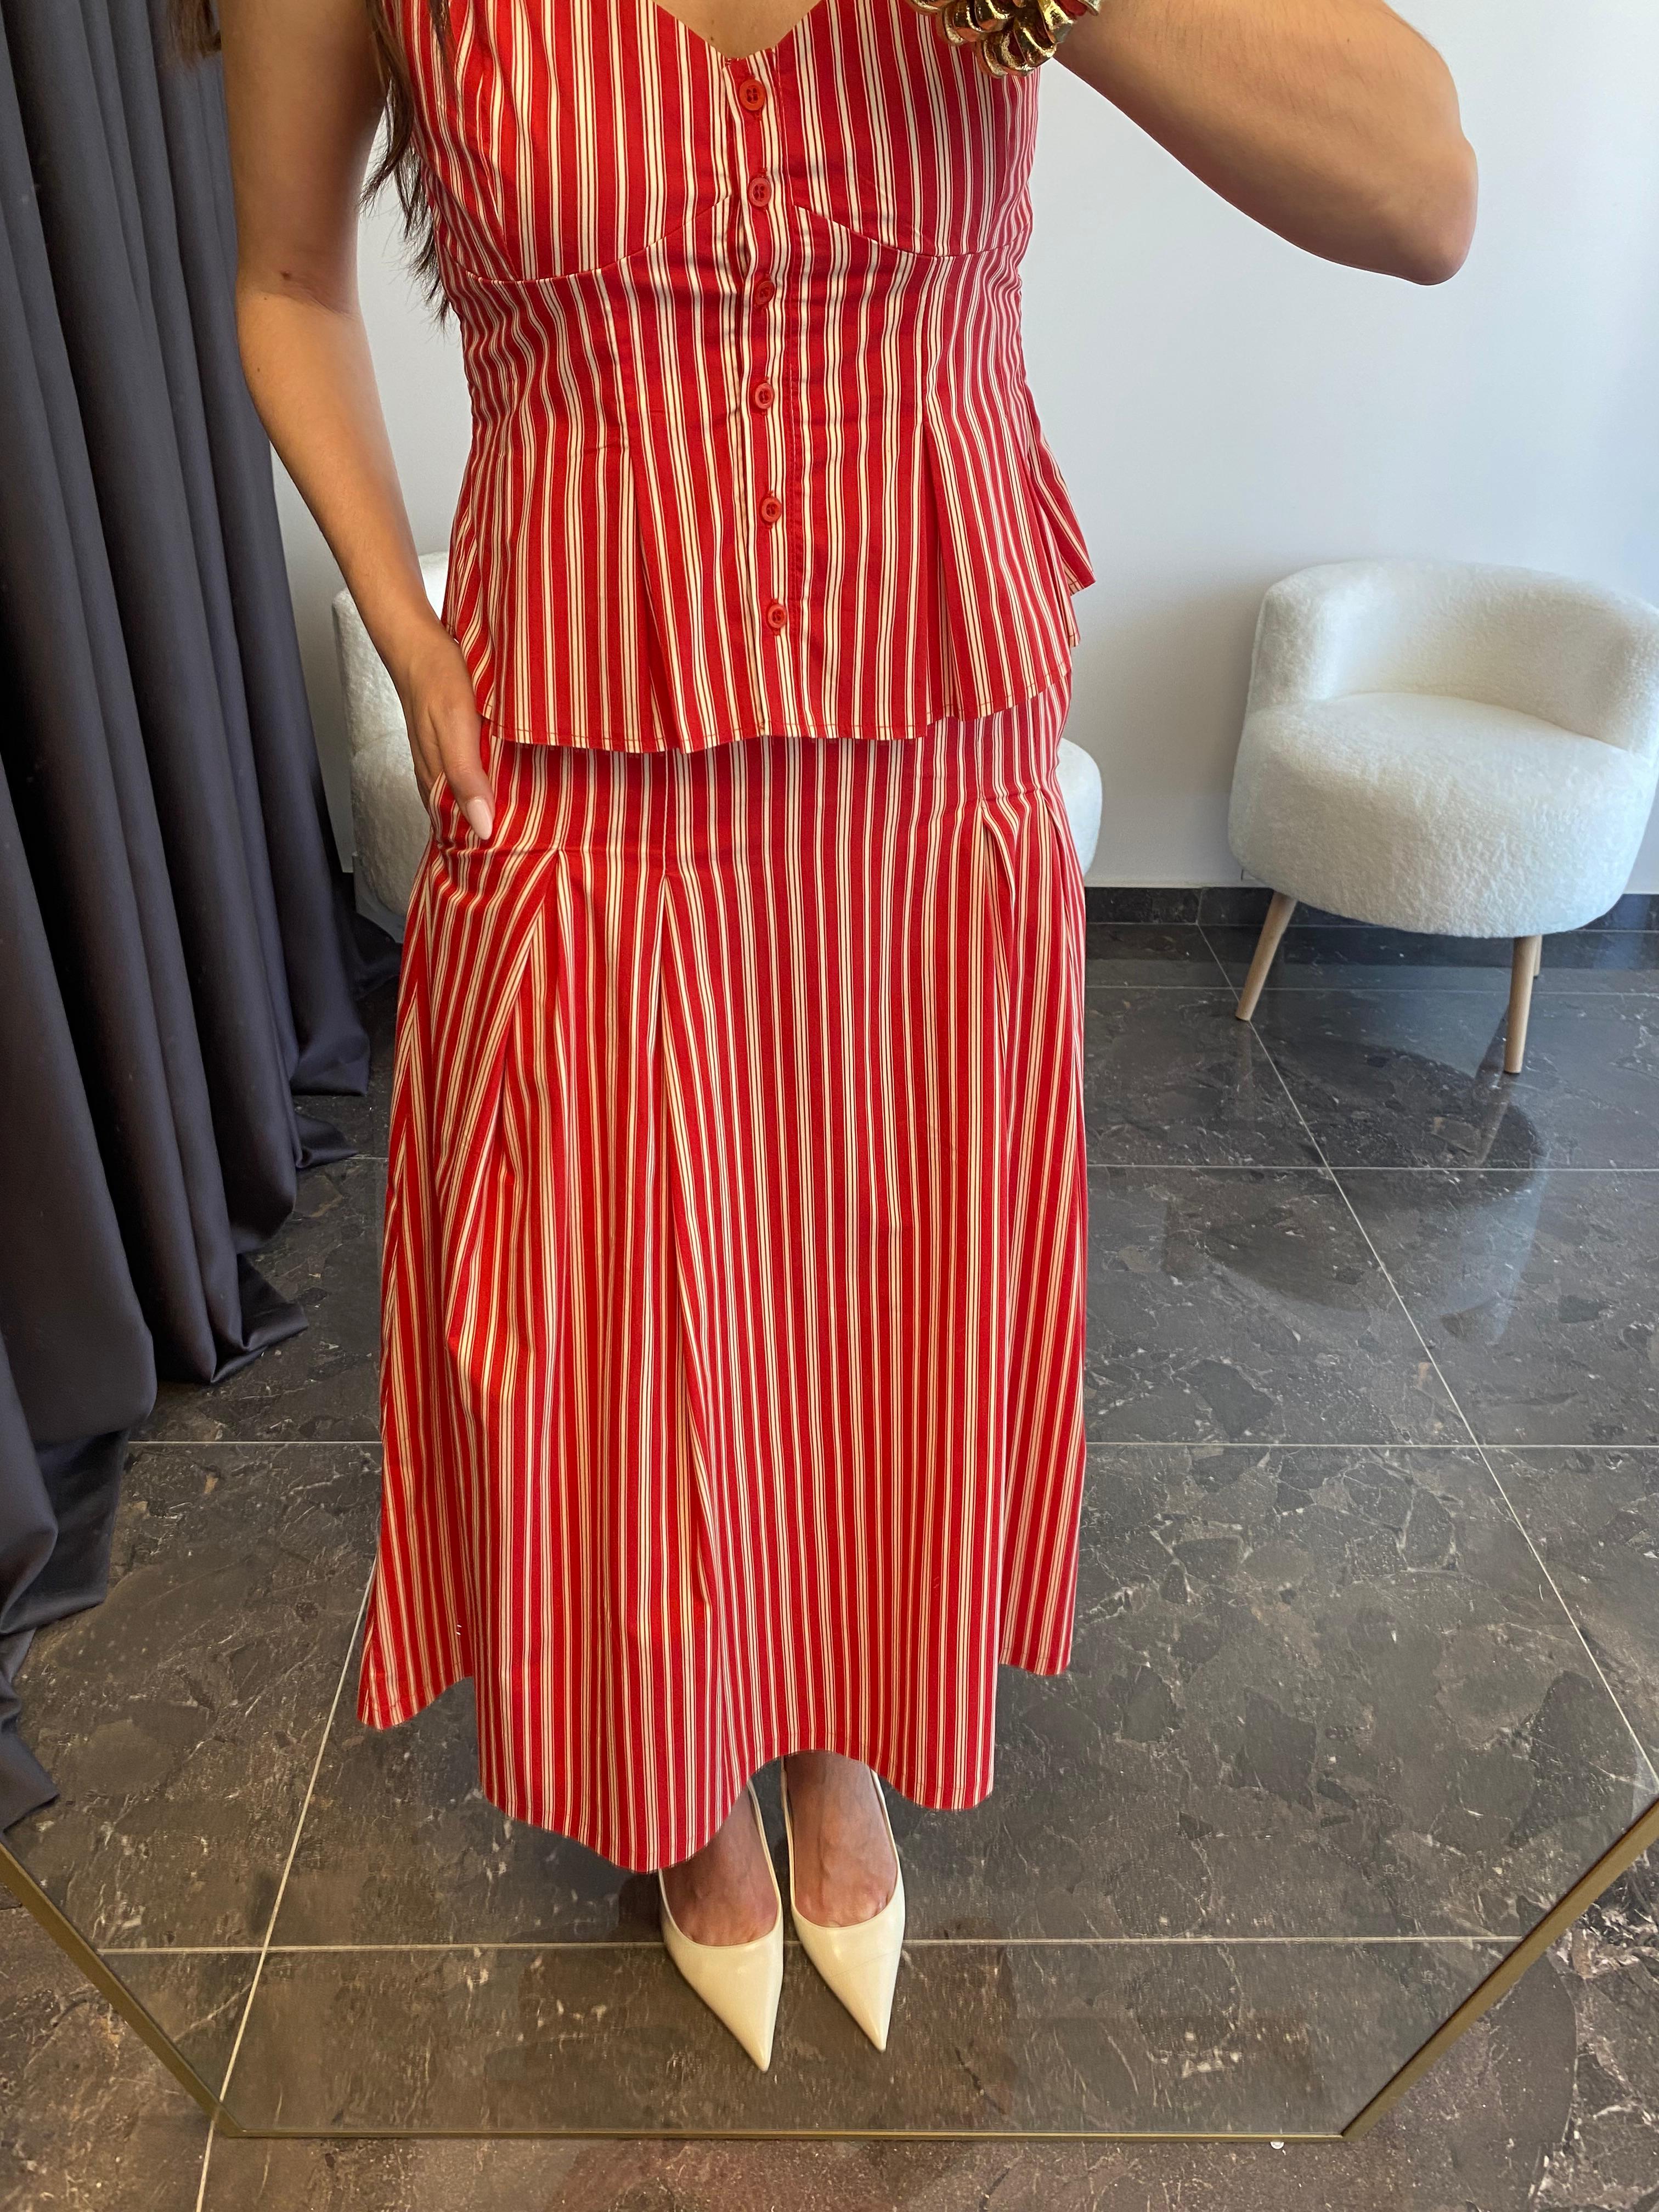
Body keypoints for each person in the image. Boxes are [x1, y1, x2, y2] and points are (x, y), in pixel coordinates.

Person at [190, 0, 1475, 2073]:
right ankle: (684, 1778)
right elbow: (285, 281)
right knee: (623, 1321)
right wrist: (406, 635)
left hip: (929, 747)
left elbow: (1423, 196)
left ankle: (842, 1735)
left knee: (889, 1299)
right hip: (579, 743)